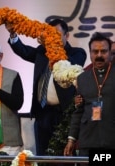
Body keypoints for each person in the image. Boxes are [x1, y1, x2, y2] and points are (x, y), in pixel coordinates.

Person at [5, 19, 87, 156]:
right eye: (49, 35)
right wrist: (13, 34)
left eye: (56, 35)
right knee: (43, 155)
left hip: (64, 114)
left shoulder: (77, 53)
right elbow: (25, 51)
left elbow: (70, 65)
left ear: (66, 36)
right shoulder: (42, 52)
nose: (52, 38)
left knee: (65, 157)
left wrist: (53, 48)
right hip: (42, 113)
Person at [63, 32, 114, 165]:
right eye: (95, 51)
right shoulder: (82, 78)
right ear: (90, 53)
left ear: (110, 53)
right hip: (88, 141)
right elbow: (78, 112)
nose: (99, 56)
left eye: (103, 51)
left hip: (111, 141)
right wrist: (71, 140)